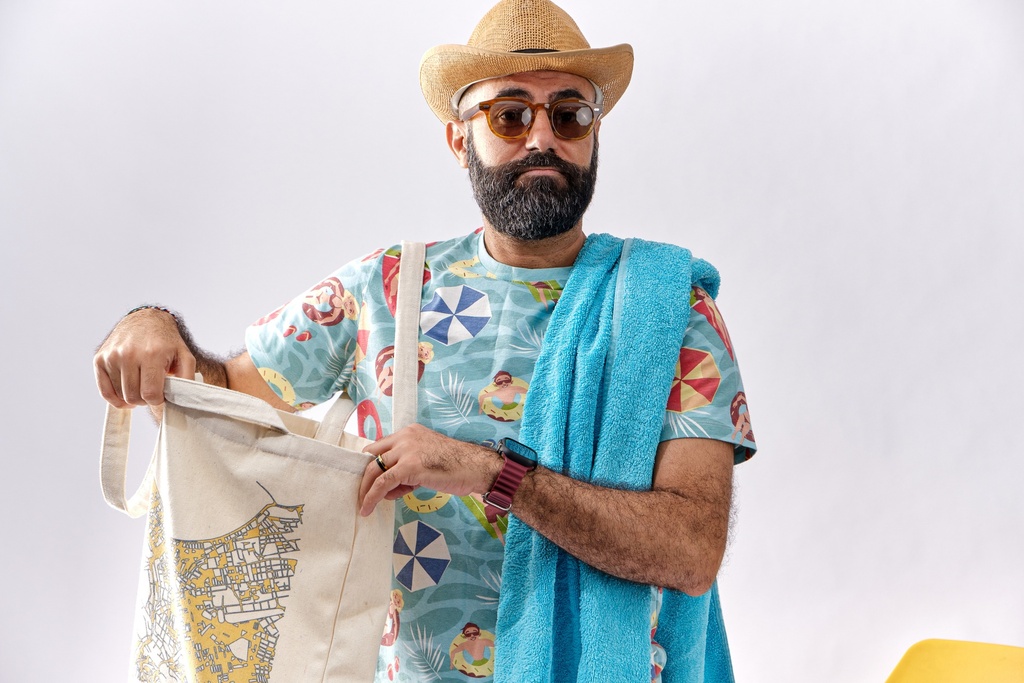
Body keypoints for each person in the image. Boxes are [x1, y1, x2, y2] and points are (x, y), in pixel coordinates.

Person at [93, 0, 757, 680]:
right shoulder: (382, 289)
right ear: (457, 138)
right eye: (509, 113)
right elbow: (222, 406)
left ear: (593, 133)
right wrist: (157, 330)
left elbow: (691, 547)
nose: (541, 139)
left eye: (569, 114)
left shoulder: (668, 308)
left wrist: (491, 472)